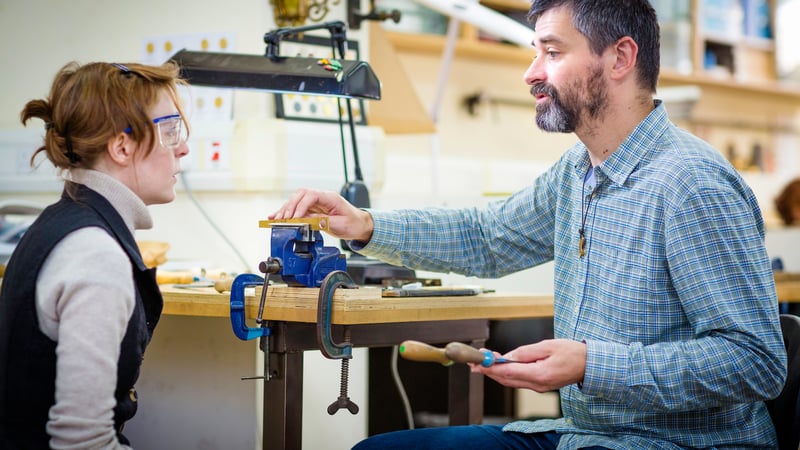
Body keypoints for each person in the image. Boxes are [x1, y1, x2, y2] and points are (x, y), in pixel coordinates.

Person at [270, 0, 788, 448]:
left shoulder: (692, 183)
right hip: (584, 435)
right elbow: (487, 237)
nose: (531, 72)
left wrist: (591, 365)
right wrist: (363, 225)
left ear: (620, 58)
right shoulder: (578, 171)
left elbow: (755, 361)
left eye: (552, 52)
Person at [0, 60, 190, 449]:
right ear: (122, 147)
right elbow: (82, 442)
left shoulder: (61, 222)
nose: (183, 148)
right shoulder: (95, 254)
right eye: (171, 131)